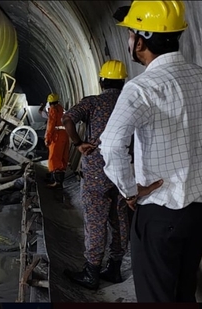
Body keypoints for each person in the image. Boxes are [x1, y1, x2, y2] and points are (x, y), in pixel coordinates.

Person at [100, 0, 202, 302]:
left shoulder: (141, 88)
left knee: (156, 297)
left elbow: (112, 143)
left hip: (160, 214)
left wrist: (130, 191)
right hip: (201, 212)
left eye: (130, 34)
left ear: (140, 41)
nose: (129, 41)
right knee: (184, 292)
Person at [61, 60, 130, 290]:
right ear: (123, 81)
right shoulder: (130, 101)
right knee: (119, 219)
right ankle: (115, 267)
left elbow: (67, 119)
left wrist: (79, 143)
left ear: (101, 81)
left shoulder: (93, 102)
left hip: (96, 172)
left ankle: (91, 271)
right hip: (123, 170)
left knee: (95, 220)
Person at [44, 93, 69, 188]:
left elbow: (50, 125)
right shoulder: (61, 109)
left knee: (54, 158)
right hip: (65, 134)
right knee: (63, 158)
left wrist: (47, 138)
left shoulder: (53, 110)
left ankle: (56, 182)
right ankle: (58, 180)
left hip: (57, 135)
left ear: (49, 103)